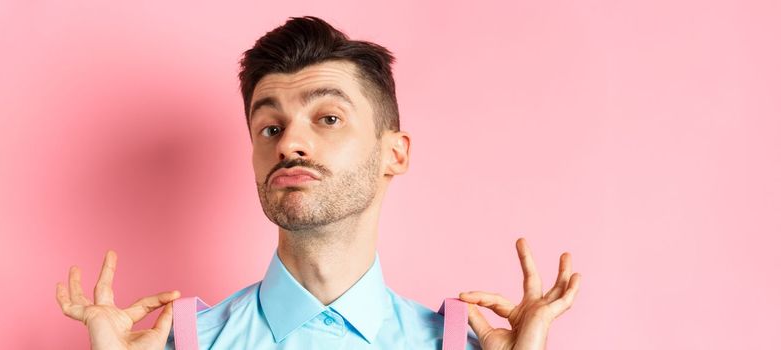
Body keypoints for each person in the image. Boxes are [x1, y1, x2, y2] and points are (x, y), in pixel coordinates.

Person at [55, 16, 581, 350]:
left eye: (327, 119)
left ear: (393, 154)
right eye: (269, 127)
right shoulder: (174, 345)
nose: (289, 144)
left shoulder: (468, 346)